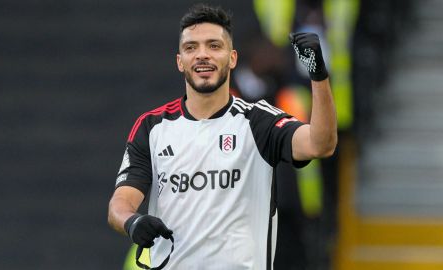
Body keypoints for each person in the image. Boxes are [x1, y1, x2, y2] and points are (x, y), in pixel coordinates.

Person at [108, 3, 337, 270]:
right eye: (191, 47)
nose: (202, 55)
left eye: (214, 46)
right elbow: (120, 203)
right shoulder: (152, 127)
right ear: (180, 61)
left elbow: (321, 144)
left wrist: (318, 75)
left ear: (232, 58)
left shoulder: (259, 122)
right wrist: (132, 221)